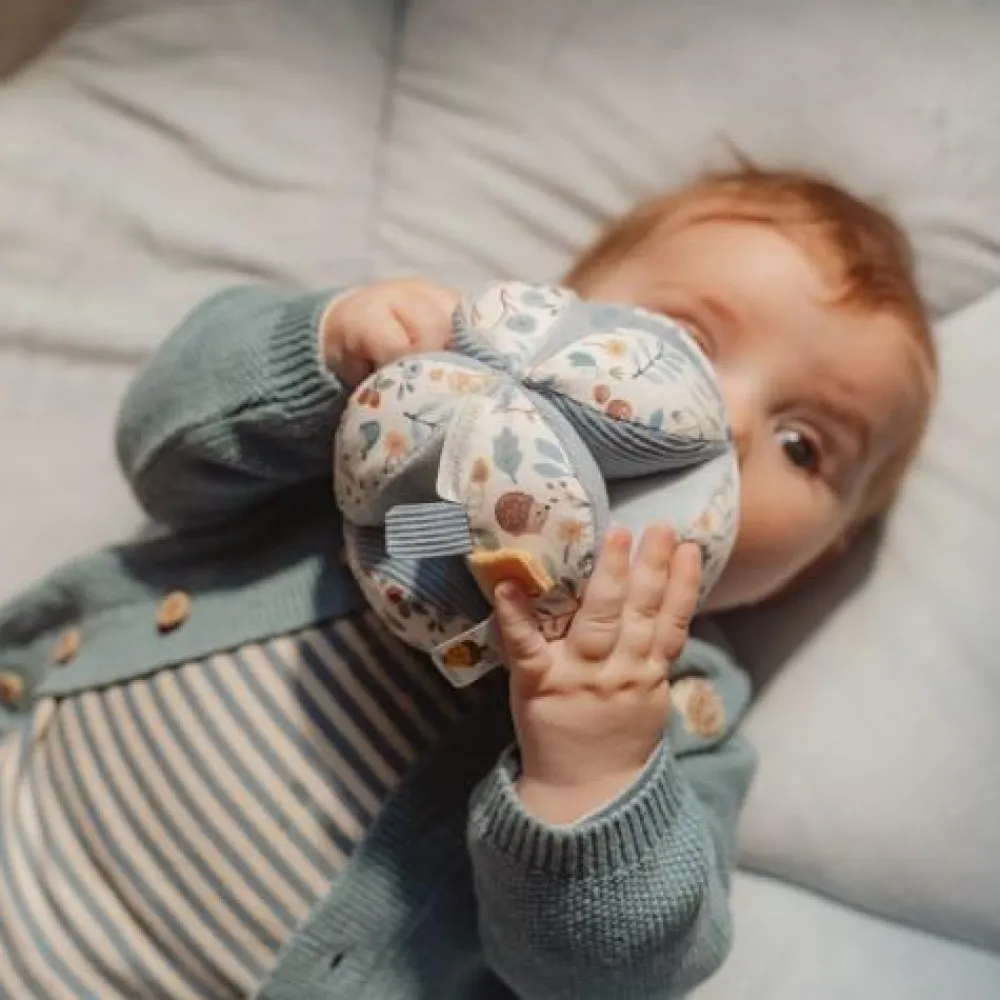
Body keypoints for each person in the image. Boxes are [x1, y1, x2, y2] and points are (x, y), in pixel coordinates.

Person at [0, 167, 936, 1000]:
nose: (724, 420)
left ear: (816, 561)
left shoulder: (676, 713)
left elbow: (614, 979)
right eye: (684, 339)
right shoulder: (389, 451)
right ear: (558, 311)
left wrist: (593, 774)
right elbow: (159, 445)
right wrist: (326, 350)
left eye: (803, 444)